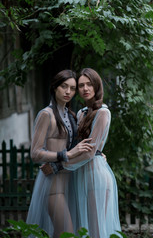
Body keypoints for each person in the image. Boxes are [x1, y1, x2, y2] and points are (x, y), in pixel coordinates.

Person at [26, 70, 93, 238]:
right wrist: (66, 154)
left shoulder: (71, 115)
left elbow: (80, 148)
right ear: (55, 87)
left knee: (61, 233)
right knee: (68, 234)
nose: (68, 92)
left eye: (72, 88)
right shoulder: (46, 115)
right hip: (52, 188)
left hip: (69, 185)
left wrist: (98, 154)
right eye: (64, 87)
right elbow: (35, 153)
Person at [61, 68, 122, 238]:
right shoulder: (81, 113)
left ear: (97, 86)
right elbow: (76, 145)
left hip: (96, 176)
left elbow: (89, 153)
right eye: (81, 85)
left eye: (89, 84)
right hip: (81, 174)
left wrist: (60, 164)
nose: (85, 88)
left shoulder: (103, 112)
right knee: (83, 228)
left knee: (95, 229)